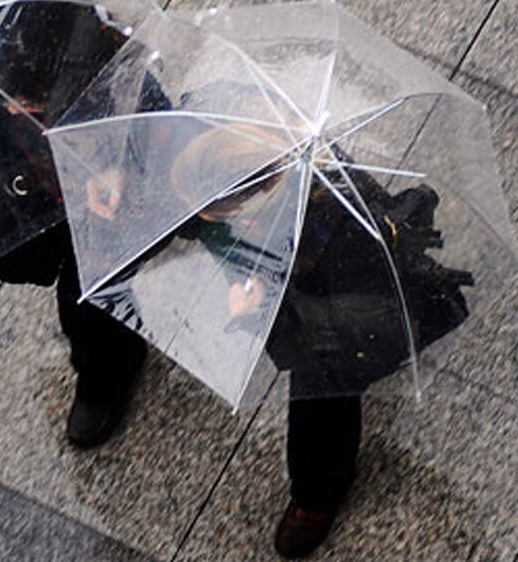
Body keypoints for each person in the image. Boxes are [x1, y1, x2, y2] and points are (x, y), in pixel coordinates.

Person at [168, 126, 472, 558]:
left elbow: (316, 337)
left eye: (215, 213)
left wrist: (256, 313)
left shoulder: (339, 230)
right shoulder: (262, 171)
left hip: (353, 321)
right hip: (301, 277)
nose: (204, 222)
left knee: (322, 399)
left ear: (250, 208)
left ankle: (316, 495)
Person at [0, 0, 167, 447]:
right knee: (80, 298)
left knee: (88, 297)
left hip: (108, 215)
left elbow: (163, 135)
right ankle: (104, 361)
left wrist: (117, 167)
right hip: (43, 206)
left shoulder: (117, 77)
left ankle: (107, 368)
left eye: (28, 102)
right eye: (7, 99)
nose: (18, 109)